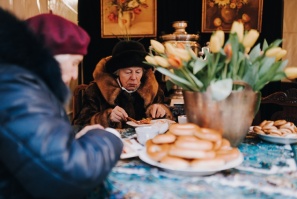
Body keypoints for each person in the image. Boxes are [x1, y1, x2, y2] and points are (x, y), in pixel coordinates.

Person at [0, 8, 123, 199]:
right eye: (74, 63)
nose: (75, 74)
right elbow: (70, 174)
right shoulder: (16, 90)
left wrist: (77, 139)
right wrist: (109, 136)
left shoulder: (22, 84)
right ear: (50, 56)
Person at [73, 40, 173, 128]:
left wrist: (162, 110)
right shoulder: (96, 90)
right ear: (117, 72)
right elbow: (79, 124)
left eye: (138, 72)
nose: (134, 77)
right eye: (128, 72)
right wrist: (107, 117)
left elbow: (168, 117)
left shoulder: (152, 89)